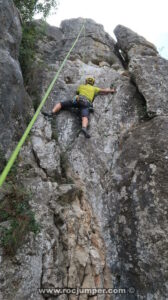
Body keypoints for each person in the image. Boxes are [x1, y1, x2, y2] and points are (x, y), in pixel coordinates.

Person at [46, 77, 115, 138]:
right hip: (86, 103)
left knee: (61, 104)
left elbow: (77, 92)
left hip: (78, 100)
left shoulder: (81, 86)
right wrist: (111, 90)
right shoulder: (94, 88)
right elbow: (104, 91)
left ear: (86, 82)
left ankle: (52, 112)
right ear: (93, 83)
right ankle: (84, 128)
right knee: (85, 115)